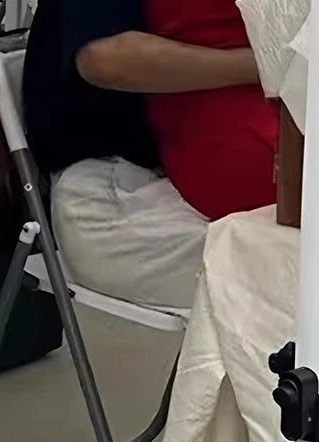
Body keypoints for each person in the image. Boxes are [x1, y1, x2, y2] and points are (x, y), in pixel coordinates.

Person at [23, 0, 274, 310]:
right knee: (289, 261)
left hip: (181, 160)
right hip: (112, 180)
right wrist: (269, 65)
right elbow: (103, 60)